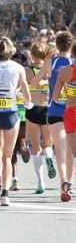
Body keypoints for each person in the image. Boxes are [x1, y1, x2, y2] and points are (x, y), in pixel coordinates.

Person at [0, 37, 31, 206]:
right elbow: (25, 88)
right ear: (11, 50)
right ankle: (5, 194)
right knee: (8, 156)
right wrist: (28, 102)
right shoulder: (18, 68)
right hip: (11, 113)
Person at [34, 31, 73, 201]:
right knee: (71, 152)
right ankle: (69, 184)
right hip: (72, 110)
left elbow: (35, 81)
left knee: (60, 150)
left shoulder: (51, 62)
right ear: (71, 45)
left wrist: (44, 82)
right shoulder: (72, 64)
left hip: (55, 111)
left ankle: (63, 182)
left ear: (56, 45)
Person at [25, 43, 54, 194]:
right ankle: (49, 157)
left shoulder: (27, 70)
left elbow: (28, 85)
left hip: (32, 109)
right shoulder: (49, 70)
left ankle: (40, 182)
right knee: (48, 144)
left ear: (33, 55)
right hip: (46, 108)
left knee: (35, 148)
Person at [52, 40, 76, 199]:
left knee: (71, 151)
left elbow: (54, 97)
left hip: (70, 112)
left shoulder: (65, 71)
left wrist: (67, 98)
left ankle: (68, 183)